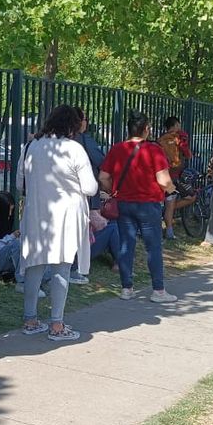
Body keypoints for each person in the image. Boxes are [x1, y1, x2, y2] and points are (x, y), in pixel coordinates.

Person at [17, 105, 97, 341]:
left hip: (36, 212)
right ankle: (57, 325)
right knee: (62, 266)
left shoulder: (31, 146)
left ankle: (30, 319)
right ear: (72, 126)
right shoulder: (74, 149)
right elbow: (90, 187)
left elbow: (20, 183)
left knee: (34, 265)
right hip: (66, 214)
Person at [99, 111, 178, 303]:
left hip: (124, 203)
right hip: (148, 204)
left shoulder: (117, 149)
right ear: (146, 129)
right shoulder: (154, 150)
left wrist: (114, 191)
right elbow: (164, 180)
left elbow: (103, 177)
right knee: (153, 247)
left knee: (126, 246)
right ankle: (158, 291)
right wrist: (171, 189)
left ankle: (127, 288)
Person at [69, 107, 106, 284]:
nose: (87, 122)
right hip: (84, 197)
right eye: (85, 119)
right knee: (82, 233)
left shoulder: (53, 142)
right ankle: (76, 268)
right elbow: (101, 161)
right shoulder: (84, 141)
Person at [158, 116, 194, 241]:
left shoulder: (161, 139)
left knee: (169, 202)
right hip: (175, 176)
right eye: (178, 124)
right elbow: (188, 154)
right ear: (175, 125)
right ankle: (169, 232)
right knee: (190, 197)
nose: (180, 126)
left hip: (163, 174)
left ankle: (167, 219)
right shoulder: (179, 138)